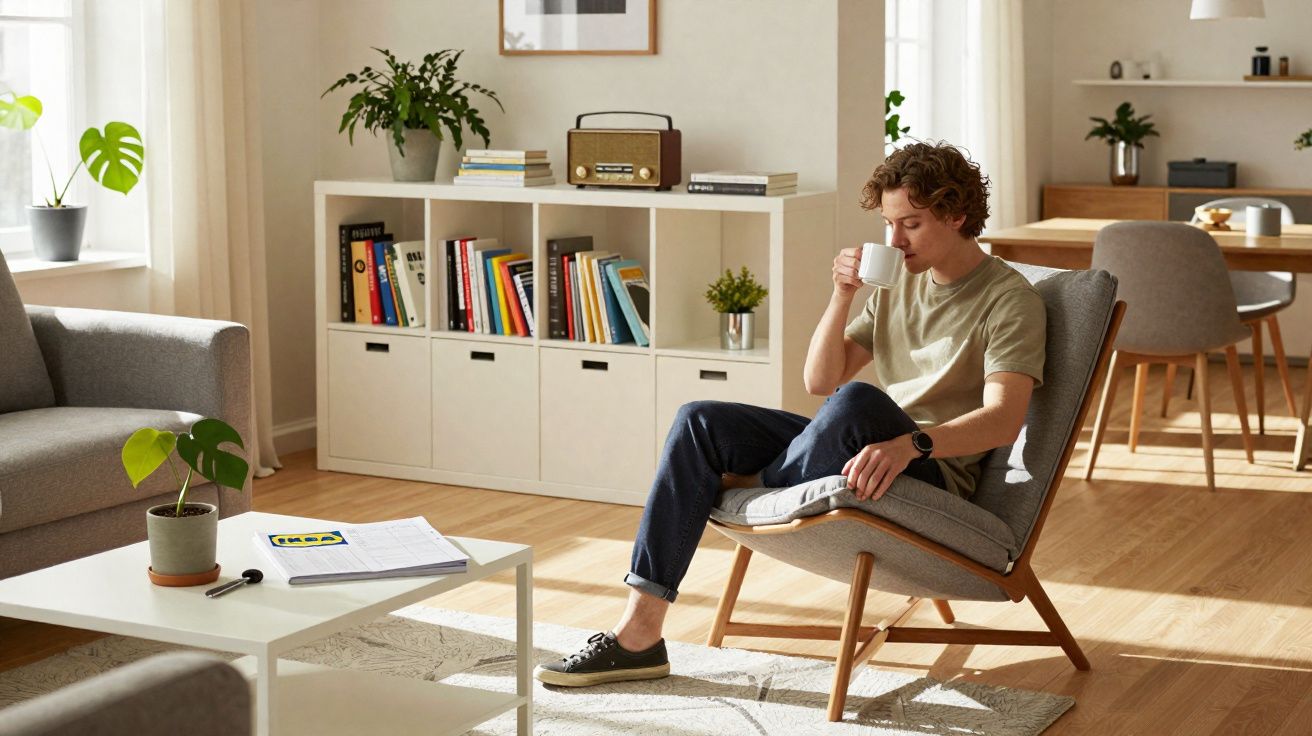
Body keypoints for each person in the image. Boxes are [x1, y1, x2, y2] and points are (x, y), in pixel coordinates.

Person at [534, 141, 1047, 687]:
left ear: (956, 215)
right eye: (889, 225)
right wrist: (841, 295)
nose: (894, 241)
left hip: (929, 466)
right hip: (862, 444)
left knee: (856, 403)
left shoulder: (1009, 300)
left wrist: (911, 444)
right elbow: (819, 379)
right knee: (698, 420)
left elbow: (1002, 419)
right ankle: (639, 635)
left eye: (911, 225)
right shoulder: (900, 285)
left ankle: (757, 487)